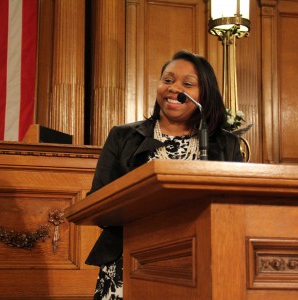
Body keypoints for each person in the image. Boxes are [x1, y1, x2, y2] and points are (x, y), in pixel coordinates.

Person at [85, 50, 243, 299]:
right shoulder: (123, 137)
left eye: (187, 84)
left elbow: (237, 210)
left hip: (200, 261)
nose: (173, 88)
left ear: (205, 95)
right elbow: (98, 203)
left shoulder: (226, 145)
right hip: (129, 260)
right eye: (168, 80)